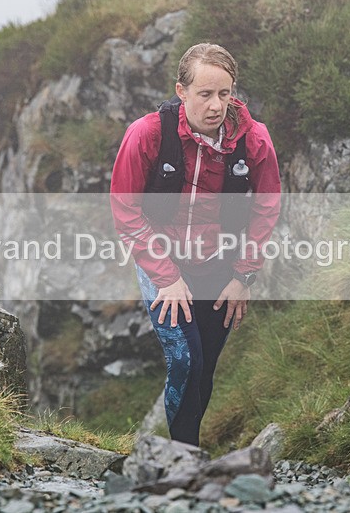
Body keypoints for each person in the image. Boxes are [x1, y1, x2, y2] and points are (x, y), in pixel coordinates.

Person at [110, 43, 281, 446]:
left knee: (204, 368)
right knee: (186, 360)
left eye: (225, 93)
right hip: (163, 263)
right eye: (205, 94)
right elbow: (125, 209)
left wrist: (244, 276)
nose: (217, 105)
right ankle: (183, 459)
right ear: (181, 91)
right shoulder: (147, 134)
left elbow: (266, 209)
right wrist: (166, 277)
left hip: (223, 267)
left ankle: (185, 456)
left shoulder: (254, 140)